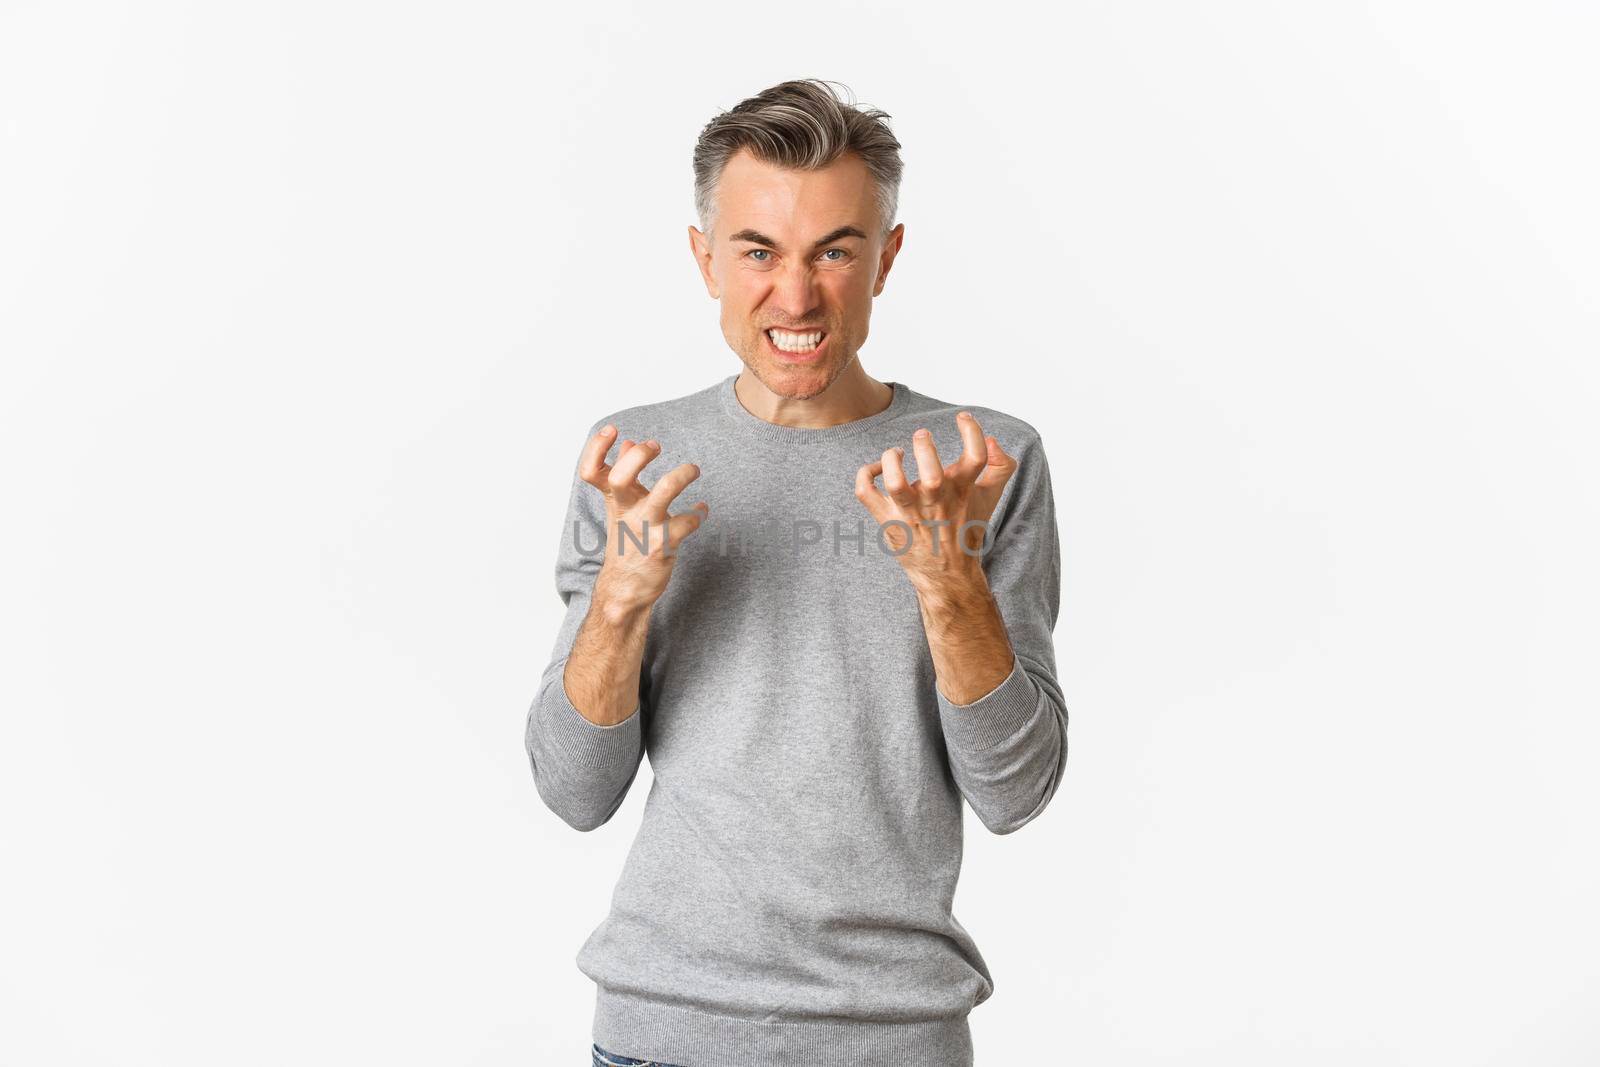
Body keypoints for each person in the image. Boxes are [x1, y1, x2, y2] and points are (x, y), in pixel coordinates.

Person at [526, 78, 1069, 1067]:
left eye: (834, 249)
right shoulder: (634, 459)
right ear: (704, 259)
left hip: (893, 1034)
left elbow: (1016, 789)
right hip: (662, 1028)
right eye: (757, 250)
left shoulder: (980, 461)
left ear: (885, 259)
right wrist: (619, 597)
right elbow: (573, 788)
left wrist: (948, 577)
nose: (797, 295)